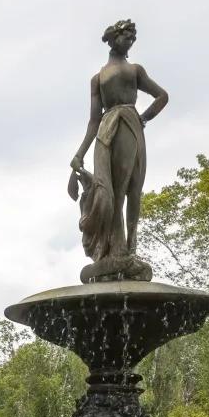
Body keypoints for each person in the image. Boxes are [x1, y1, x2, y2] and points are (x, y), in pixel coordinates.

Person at [68, 18, 168, 280]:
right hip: (106, 132)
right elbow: (92, 121)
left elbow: (162, 96)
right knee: (113, 193)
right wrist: (79, 154)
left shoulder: (135, 70)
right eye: (127, 38)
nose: (131, 43)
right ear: (113, 40)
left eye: (133, 40)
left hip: (130, 125)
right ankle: (117, 251)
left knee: (134, 188)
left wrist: (142, 119)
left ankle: (129, 250)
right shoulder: (98, 78)